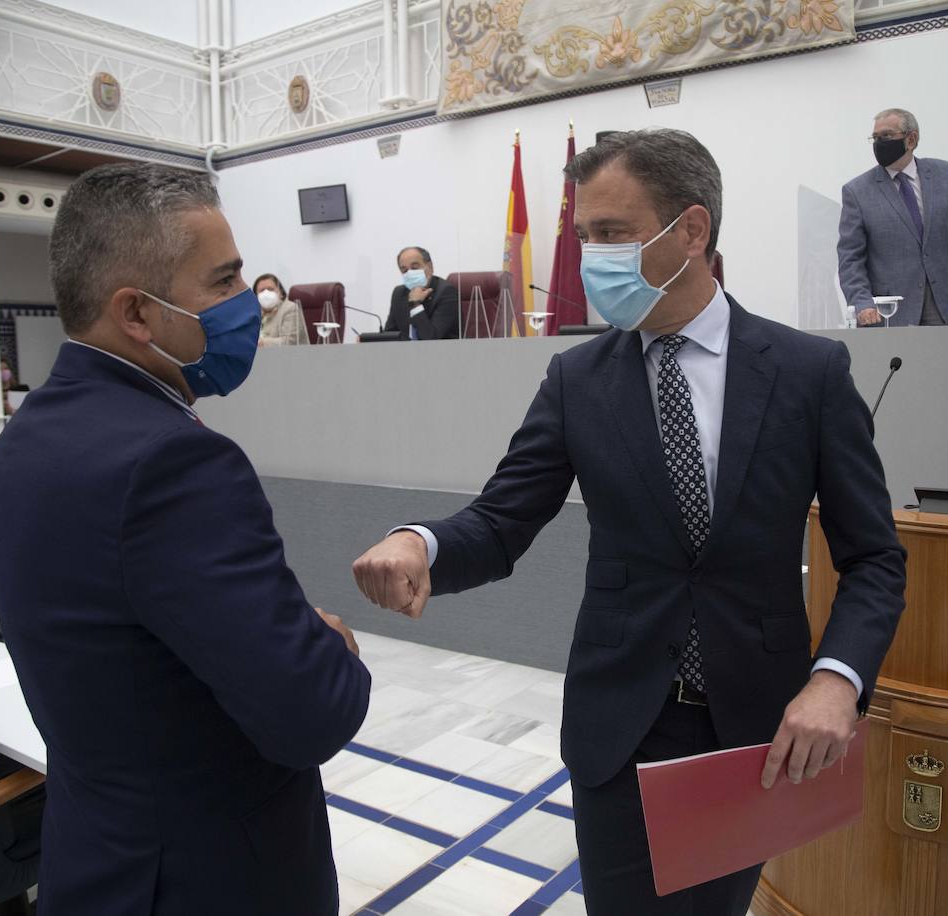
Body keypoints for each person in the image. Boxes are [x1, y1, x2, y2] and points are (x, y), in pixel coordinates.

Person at [353, 129, 907, 915]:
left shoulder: (807, 374)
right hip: (620, 723)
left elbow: (876, 559)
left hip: (755, 724)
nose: (590, 259)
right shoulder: (578, 379)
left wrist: (836, 681)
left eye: (611, 233)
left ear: (692, 231)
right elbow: (503, 520)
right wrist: (422, 543)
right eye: (584, 238)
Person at [0, 163, 370, 916]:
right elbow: (311, 711)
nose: (247, 303)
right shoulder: (174, 461)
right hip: (208, 877)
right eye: (223, 283)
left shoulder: (29, 434)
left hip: (98, 861)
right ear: (137, 312)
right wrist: (331, 644)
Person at [837, 107, 948, 327]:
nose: (879, 143)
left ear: (911, 140)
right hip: (887, 312)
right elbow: (850, 259)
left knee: (940, 362)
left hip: (940, 306)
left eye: (886, 136)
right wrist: (861, 303)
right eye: (875, 138)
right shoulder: (857, 192)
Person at [383, 246, 459, 340]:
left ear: (430, 267)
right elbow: (390, 334)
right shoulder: (399, 293)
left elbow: (431, 338)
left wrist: (415, 304)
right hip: (407, 353)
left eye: (414, 268)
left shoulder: (446, 292)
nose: (410, 273)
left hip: (442, 353)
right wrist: (369, 341)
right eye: (404, 270)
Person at [254, 272, 306, 346]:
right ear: (256, 296)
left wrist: (261, 343)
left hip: (290, 356)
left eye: (270, 289)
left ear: (280, 292)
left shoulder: (290, 309)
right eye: (262, 290)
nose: (266, 293)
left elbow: (289, 342)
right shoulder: (253, 314)